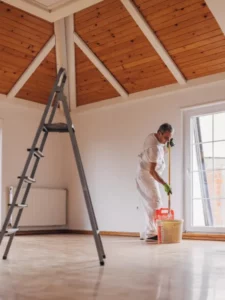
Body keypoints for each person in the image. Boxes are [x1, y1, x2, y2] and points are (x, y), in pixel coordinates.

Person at [136, 123, 174, 243]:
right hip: (147, 175)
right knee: (155, 201)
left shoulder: (154, 138)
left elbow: (160, 151)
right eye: (166, 138)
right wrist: (165, 184)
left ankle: (147, 231)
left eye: (170, 138)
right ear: (159, 133)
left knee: (152, 202)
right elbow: (152, 171)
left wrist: (168, 147)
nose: (167, 140)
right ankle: (151, 233)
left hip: (147, 173)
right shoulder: (154, 148)